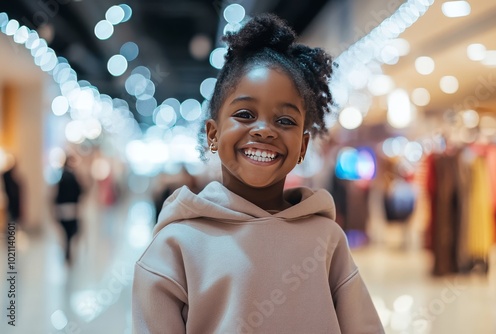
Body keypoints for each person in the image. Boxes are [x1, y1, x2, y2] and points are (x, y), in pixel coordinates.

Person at [133, 14, 384, 333]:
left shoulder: (327, 240)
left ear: (303, 145)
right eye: (245, 114)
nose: (264, 130)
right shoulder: (174, 248)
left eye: (285, 121)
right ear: (212, 134)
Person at [54, 155, 83, 264]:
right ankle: (68, 251)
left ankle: (67, 250)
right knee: (71, 232)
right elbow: (79, 191)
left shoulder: (61, 177)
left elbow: (58, 195)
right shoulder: (72, 177)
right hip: (71, 208)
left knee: (67, 233)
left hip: (63, 208)